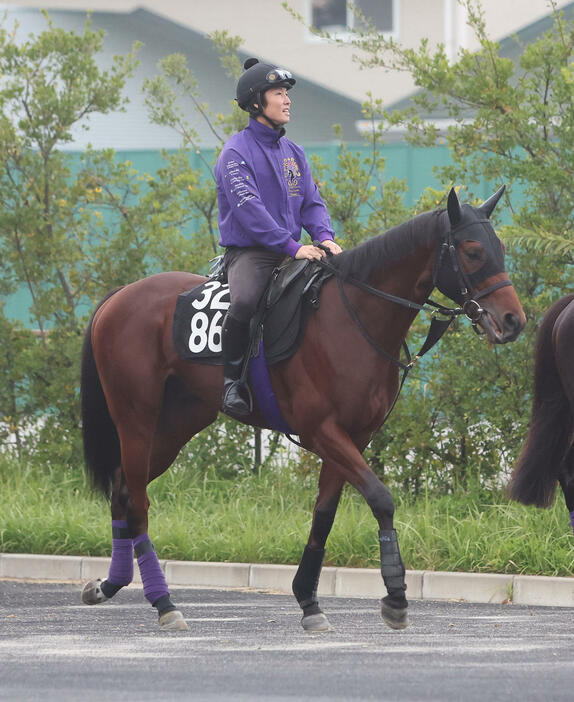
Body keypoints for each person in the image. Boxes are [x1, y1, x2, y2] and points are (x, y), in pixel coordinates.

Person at [215, 57, 342, 416]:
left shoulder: (294, 153)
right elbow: (250, 212)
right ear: (257, 102)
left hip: (298, 249)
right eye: (278, 93)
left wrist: (325, 236)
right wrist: (294, 247)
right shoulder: (235, 153)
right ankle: (232, 385)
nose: (287, 100)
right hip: (253, 254)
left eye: (287, 93)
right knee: (243, 303)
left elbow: (311, 203)